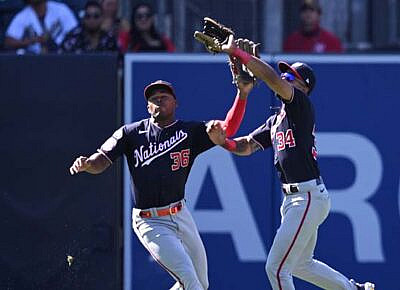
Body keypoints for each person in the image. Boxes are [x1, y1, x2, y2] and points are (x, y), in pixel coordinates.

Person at [206, 35, 375, 290]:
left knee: (276, 269)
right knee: (300, 264)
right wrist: (224, 142)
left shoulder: (301, 105)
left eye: (292, 77)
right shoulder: (277, 120)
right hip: (296, 199)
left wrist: (243, 56)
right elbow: (247, 146)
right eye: (285, 75)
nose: (285, 78)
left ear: (304, 88)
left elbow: (272, 80)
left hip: (306, 196)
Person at [69, 77, 253, 289]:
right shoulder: (130, 133)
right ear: (148, 107)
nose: (159, 102)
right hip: (150, 221)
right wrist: (87, 163)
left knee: (201, 283)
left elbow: (228, 129)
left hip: (181, 214)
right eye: (154, 99)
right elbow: (101, 160)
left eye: (164, 97)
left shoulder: (190, 132)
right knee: (190, 281)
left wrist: (243, 94)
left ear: (176, 103)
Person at [4, 0, 77, 54]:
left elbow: (76, 32)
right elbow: (9, 41)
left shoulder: (61, 9)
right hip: (35, 60)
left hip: (64, 55)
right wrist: (33, 40)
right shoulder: (23, 15)